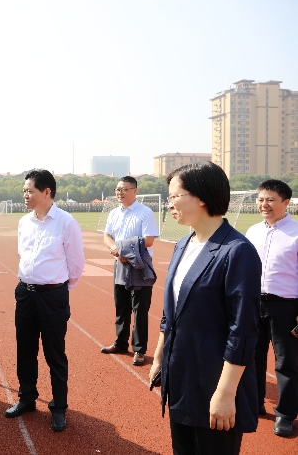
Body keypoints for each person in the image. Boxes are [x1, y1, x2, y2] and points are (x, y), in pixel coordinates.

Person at [150, 162, 260, 455]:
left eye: (174, 196)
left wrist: (225, 393)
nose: (169, 204)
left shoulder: (237, 251)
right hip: (182, 377)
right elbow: (171, 312)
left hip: (214, 382)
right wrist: (159, 357)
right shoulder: (183, 244)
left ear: (200, 197)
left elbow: (243, 330)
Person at [4, 169, 85, 432]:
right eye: (24, 191)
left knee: (54, 353)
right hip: (25, 294)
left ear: (47, 192)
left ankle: (59, 407)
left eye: (30, 191)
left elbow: (76, 264)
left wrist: (57, 289)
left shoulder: (66, 222)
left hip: (52, 297)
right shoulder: (24, 222)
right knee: (25, 350)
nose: (25, 195)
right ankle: (27, 398)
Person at [245, 179, 298, 437]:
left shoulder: (296, 233)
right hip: (253, 303)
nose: (264, 204)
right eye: (261, 200)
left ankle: (285, 415)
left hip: (286, 306)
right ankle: (254, 404)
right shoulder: (253, 231)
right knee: (252, 357)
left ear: (286, 202)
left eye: (270, 200)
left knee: (287, 362)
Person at [101, 176, 159, 366]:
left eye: (125, 189)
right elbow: (107, 236)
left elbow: (148, 240)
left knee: (140, 309)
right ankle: (120, 343)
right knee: (121, 307)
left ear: (135, 191)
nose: (120, 193)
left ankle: (139, 350)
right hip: (120, 263)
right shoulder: (113, 213)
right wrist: (115, 250)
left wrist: (123, 250)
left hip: (140, 265)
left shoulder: (145, 213)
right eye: (118, 189)